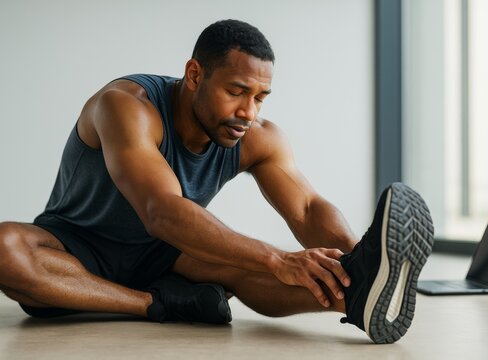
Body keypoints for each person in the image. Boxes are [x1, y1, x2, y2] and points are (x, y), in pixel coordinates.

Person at [0, 19, 434, 344]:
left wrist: (355, 257)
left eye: (259, 97)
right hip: (73, 248)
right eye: (236, 91)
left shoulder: (258, 137)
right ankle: (157, 304)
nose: (248, 111)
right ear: (194, 75)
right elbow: (160, 211)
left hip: (165, 258)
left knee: (242, 264)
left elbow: (305, 208)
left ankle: (356, 291)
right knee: (5, 250)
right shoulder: (125, 107)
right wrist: (276, 258)